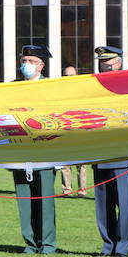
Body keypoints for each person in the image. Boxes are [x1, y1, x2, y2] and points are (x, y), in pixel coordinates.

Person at [11, 45, 56, 253]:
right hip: (20, 151)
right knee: (24, 199)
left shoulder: (51, 87)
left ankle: (47, 244)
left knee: (44, 200)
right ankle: (30, 243)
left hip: (45, 151)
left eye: (31, 61)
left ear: (41, 65)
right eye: (24, 61)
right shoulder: (12, 87)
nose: (26, 65)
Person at [91, 46, 128, 257]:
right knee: (103, 203)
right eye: (101, 62)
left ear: (118, 63)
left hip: (121, 152)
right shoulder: (95, 89)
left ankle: (123, 245)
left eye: (107, 62)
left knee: (124, 203)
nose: (104, 66)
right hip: (99, 151)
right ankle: (107, 245)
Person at [57, 65, 83, 197]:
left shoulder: (82, 93)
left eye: (71, 76)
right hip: (65, 131)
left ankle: (82, 190)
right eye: (66, 76)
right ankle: (66, 190)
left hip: (79, 131)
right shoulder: (60, 94)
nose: (68, 78)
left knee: (81, 164)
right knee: (65, 164)